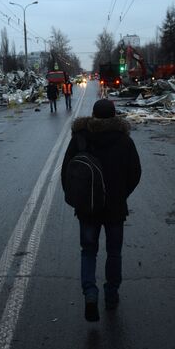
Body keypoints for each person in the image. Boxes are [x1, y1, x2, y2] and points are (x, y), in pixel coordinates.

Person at [61, 99, 141, 322]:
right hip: (115, 209)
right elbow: (135, 173)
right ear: (114, 116)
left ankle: (90, 293)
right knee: (114, 253)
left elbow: (67, 171)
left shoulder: (80, 138)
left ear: (93, 115)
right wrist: (120, 195)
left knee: (88, 251)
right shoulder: (124, 141)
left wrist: (77, 199)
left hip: (87, 208)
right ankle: (111, 294)